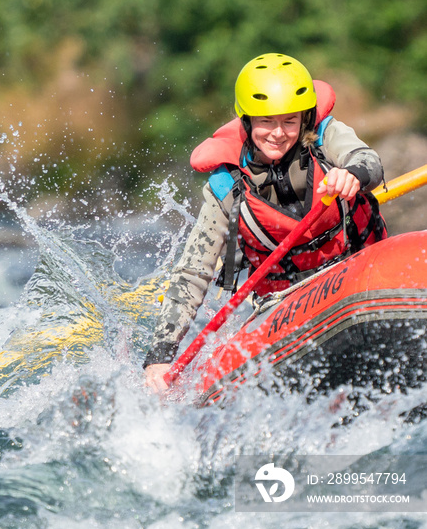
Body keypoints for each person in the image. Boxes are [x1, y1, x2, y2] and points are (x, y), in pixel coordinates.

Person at [144, 53, 387, 392]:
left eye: (289, 121)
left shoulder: (326, 136)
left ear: (304, 119)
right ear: (246, 122)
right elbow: (193, 272)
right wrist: (160, 354)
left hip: (359, 274)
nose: (278, 133)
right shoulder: (226, 187)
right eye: (266, 122)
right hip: (285, 308)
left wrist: (353, 174)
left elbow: (367, 159)